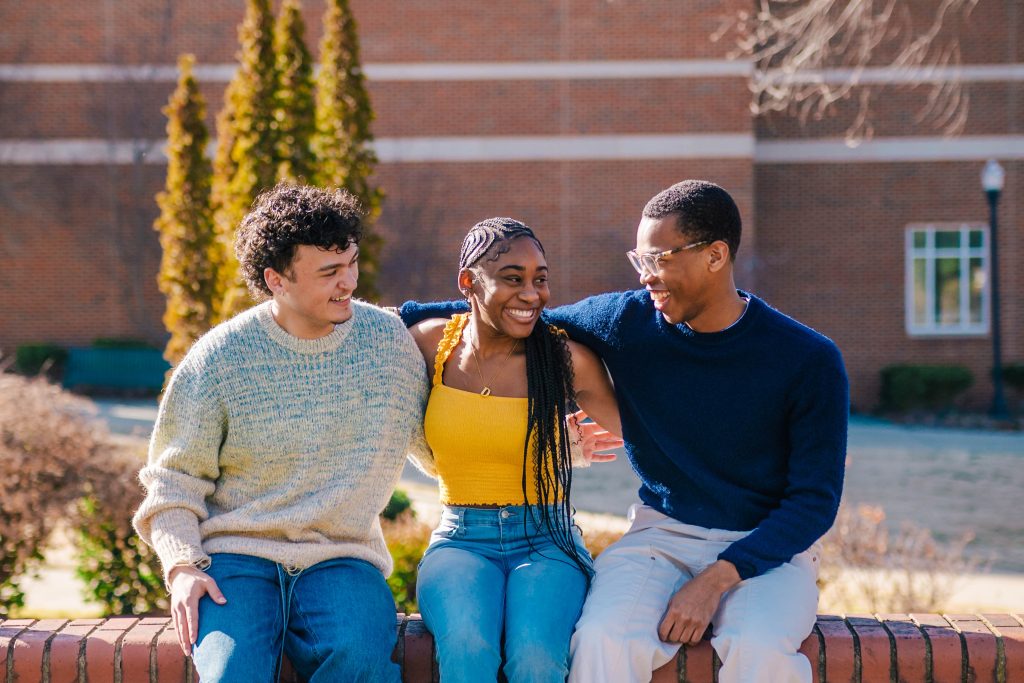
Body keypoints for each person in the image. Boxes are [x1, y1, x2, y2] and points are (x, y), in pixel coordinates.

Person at [399, 181, 849, 683]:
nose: (645, 276)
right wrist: (397, 316)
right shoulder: (629, 320)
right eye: (641, 259)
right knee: (599, 640)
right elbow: (510, 311)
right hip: (663, 533)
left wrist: (719, 578)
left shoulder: (808, 359)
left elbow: (814, 502)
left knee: (757, 647)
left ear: (715, 256)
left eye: (659, 259)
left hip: (766, 548)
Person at [132, 183, 428, 683]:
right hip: (235, 559)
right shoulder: (220, 359)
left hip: (341, 557)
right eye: (329, 272)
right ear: (276, 280)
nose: (349, 282)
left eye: (352, 263)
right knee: (231, 672)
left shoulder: (389, 346)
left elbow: (441, 446)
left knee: (359, 662)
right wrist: (182, 565)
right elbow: (173, 482)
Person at [405, 217, 623, 683]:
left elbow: (652, 436)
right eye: (512, 278)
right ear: (468, 282)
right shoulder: (429, 344)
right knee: (467, 647)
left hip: (546, 538)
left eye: (539, 279)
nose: (531, 294)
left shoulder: (565, 360)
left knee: (535, 658)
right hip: (461, 537)